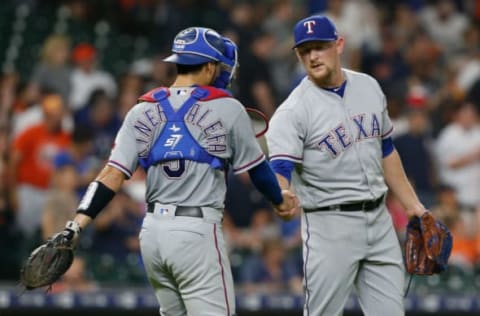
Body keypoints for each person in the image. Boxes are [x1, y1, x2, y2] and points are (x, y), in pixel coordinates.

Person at [49, 26, 297, 316]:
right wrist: (280, 200)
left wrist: (76, 225)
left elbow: (110, 176)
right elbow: (258, 172)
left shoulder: (141, 109)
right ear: (208, 66)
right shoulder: (227, 108)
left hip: (153, 234)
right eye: (219, 66)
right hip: (196, 232)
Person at [266, 15, 428, 315]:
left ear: (338, 45)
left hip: (380, 221)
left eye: (320, 47)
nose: (313, 56)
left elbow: (386, 150)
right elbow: (280, 170)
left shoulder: (368, 86)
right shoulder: (292, 111)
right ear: (298, 56)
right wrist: (281, 196)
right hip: (330, 226)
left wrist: (413, 206)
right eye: (305, 50)